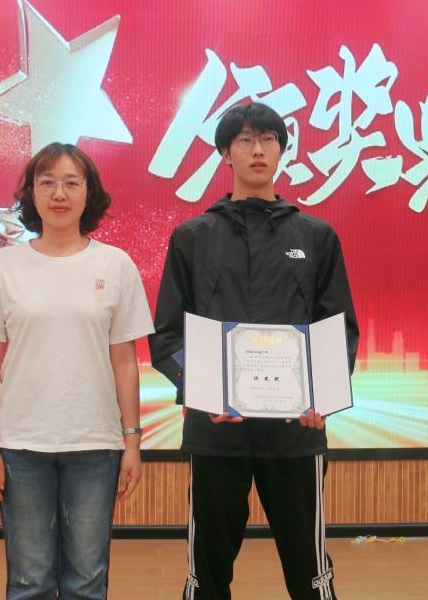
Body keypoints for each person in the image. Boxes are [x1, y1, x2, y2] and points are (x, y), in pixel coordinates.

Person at [150, 102, 359, 600]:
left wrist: (322, 396)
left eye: (268, 139)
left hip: (295, 432)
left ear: (282, 151)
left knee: (310, 571)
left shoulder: (316, 236)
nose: (257, 149)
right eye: (244, 139)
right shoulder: (192, 237)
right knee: (208, 571)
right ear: (226, 153)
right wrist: (201, 389)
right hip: (216, 431)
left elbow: (337, 328)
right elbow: (167, 335)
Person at [0, 143, 154, 600]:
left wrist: (131, 443)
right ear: (31, 194)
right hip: (22, 445)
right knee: (30, 581)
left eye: (70, 183)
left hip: (96, 445)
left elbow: (125, 361)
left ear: (89, 193)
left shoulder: (115, 264)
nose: (59, 194)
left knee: (87, 580)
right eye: (46, 183)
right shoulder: (3, 267)